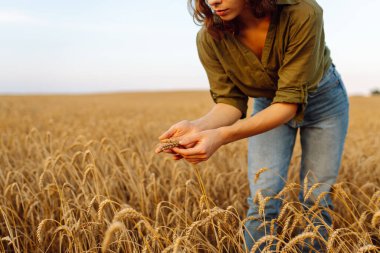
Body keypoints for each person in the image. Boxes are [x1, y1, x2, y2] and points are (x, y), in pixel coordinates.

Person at [155, 0, 349, 252]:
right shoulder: (209, 38)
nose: (213, 1)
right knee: (262, 200)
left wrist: (222, 136)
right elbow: (230, 103)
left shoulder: (303, 11)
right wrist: (197, 126)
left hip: (325, 103)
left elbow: (288, 103)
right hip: (268, 105)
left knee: (316, 199)